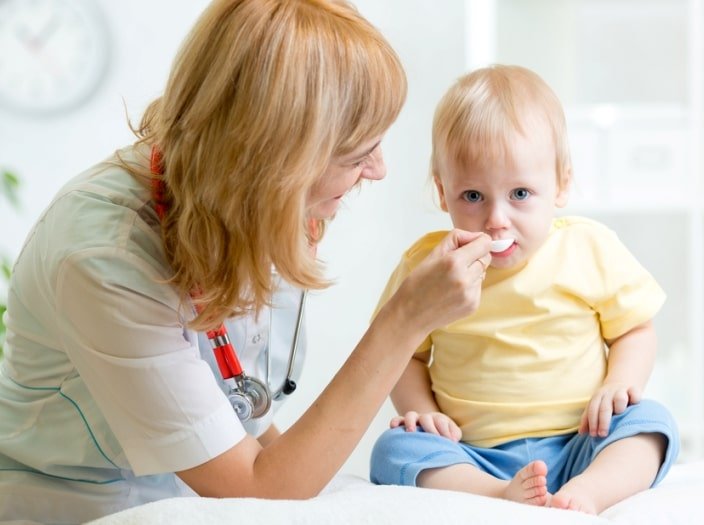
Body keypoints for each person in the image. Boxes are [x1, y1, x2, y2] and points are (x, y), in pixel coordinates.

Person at [0, 1, 495, 522]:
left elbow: (243, 426)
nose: (379, 169)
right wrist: (405, 321)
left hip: (197, 496)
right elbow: (256, 486)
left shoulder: (247, 207)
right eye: (355, 155)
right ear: (277, 163)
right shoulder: (106, 258)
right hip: (82, 508)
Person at [369, 65, 680, 515]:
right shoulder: (431, 266)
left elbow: (635, 330)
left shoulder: (587, 247)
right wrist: (423, 411)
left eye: (519, 194)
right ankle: (497, 495)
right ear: (443, 192)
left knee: (652, 424)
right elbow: (403, 355)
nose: (496, 219)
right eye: (473, 197)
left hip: (582, 441)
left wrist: (618, 385)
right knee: (395, 448)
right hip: (474, 454)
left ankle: (588, 493)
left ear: (561, 184)